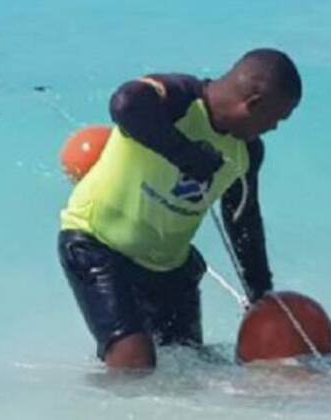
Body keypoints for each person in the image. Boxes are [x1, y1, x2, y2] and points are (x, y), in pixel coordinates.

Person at [59, 49, 302, 371]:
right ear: (253, 103)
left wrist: (260, 292)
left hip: (169, 268)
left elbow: (242, 220)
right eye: (277, 118)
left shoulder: (247, 151)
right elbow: (124, 104)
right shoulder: (178, 99)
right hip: (97, 244)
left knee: (190, 368)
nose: (274, 128)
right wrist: (185, 154)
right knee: (136, 363)